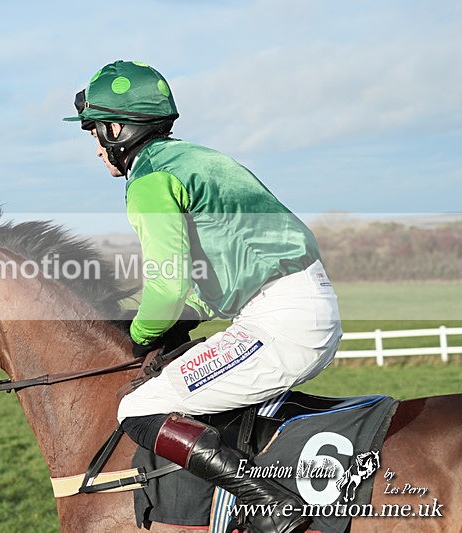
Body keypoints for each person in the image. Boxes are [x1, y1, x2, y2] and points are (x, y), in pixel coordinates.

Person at [65, 60, 342, 533]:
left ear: (118, 130)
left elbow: (168, 284)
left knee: (137, 408)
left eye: (95, 133)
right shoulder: (196, 160)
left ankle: (271, 504)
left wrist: (140, 334)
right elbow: (219, 268)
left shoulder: (150, 178)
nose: (95, 150)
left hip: (278, 321)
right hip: (298, 305)